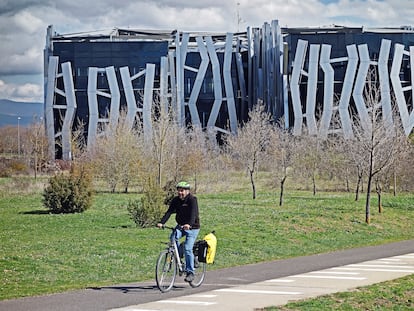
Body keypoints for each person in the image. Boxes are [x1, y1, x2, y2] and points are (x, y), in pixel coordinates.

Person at [157, 181, 200, 282]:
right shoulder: (176, 200)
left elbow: (194, 214)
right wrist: (161, 222)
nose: (180, 193)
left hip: (192, 228)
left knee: (188, 248)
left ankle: (190, 272)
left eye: (182, 191)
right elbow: (169, 212)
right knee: (173, 239)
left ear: (187, 191)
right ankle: (180, 260)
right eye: (179, 191)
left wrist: (189, 224)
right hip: (180, 226)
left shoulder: (192, 200)